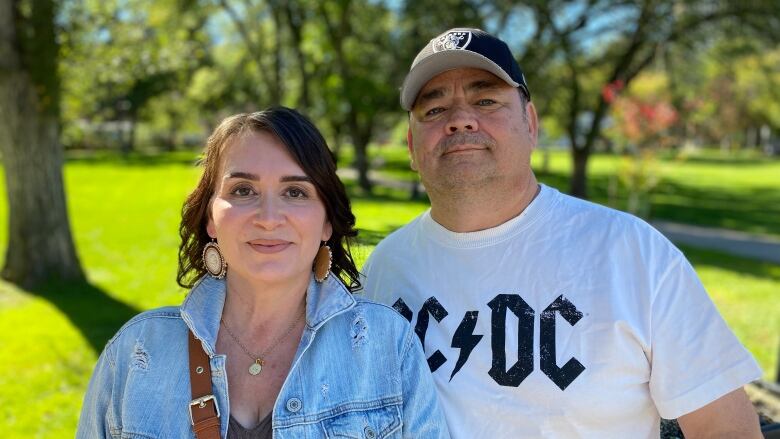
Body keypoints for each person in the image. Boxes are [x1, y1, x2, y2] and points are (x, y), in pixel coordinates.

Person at [361, 28, 763, 438]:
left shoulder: (633, 253)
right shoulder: (386, 269)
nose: (460, 120)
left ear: (530, 124)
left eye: (486, 100)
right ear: (412, 146)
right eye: (434, 110)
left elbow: (725, 429)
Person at [77, 107, 450, 438]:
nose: (269, 218)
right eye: (242, 190)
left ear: (326, 223)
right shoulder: (136, 353)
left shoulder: (387, 346)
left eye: (295, 193)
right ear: (210, 217)